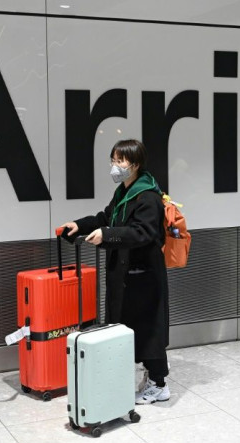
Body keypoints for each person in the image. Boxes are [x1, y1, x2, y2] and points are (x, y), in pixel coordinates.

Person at [59, 139, 170, 405]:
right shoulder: (124, 193)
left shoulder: (148, 196)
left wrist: (107, 235)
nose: (115, 166)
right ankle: (146, 377)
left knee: (148, 331)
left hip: (144, 277)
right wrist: (80, 225)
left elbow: (142, 233)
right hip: (124, 277)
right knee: (126, 327)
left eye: (120, 161)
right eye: (113, 159)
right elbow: (105, 218)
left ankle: (159, 384)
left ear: (135, 163)